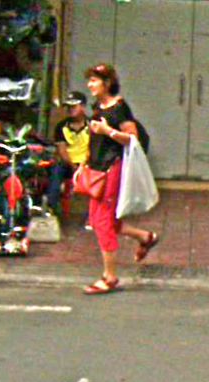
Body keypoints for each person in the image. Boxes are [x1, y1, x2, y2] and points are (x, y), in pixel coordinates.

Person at [77, 63, 158, 295]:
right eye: (90, 80)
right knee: (99, 218)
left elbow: (132, 138)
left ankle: (110, 276)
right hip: (97, 167)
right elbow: (94, 140)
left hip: (112, 167)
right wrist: (83, 164)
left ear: (107, 83)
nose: (90, 85)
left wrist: (108, 132)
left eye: (94, 80)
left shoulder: (119, 108)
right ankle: (145, 237)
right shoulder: (98, 107)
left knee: (102, 221)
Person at [48, 91, 90, 220]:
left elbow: (95, 148)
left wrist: (84, 165)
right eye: (68, 107)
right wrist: (73, 166)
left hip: (87, 163)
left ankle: (93, 216)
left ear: (83, 107)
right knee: (55, 173)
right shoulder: (61, 127)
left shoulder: (92, 125)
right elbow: (62, 150)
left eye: (74, 106)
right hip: (68, 163)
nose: (70, 109)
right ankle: (51, 210)